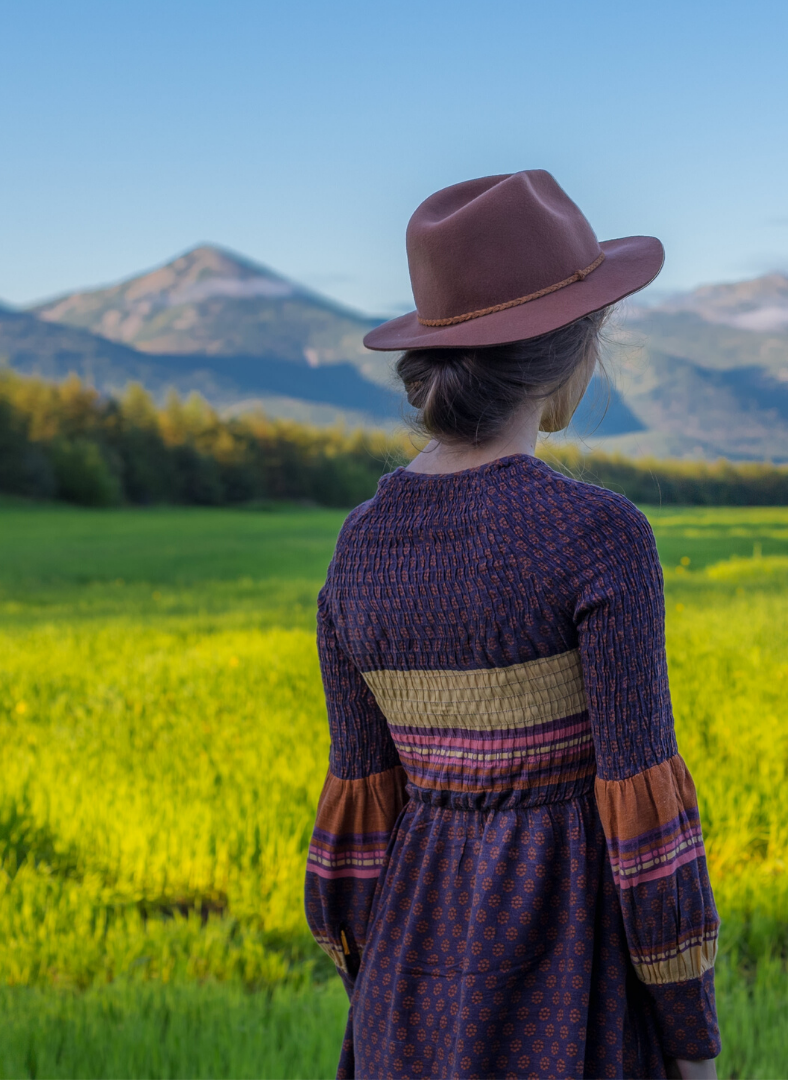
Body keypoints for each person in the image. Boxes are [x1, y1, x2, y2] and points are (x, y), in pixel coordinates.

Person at [303, 171, 721, 1079]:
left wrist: (381, 997)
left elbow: (357, 824)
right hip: (572, 985)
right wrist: (691, 1039)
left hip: (407, 994)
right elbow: (644, 828)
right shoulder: (599, 535)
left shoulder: (358, 547)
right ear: (573, 354)